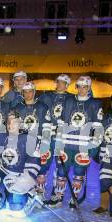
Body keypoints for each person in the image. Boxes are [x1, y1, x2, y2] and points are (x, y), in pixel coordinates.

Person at [46, 76, 103, 208]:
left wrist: (93, 147)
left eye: (85, 87)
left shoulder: (95, 104)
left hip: (83, 147)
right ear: (76, 87)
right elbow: (61, 123)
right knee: (61, 171)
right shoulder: (68, 101)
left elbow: (98, 128)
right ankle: (58, 196)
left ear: (89, 88)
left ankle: (75, 197)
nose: (82, 89)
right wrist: (59, 143)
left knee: (79, 172)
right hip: (66, 145)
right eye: (79, 86)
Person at [0, 111, 42, 215]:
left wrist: (24, 180)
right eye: (9, 122)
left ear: (21, 124)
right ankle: (1, 196)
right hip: (5, 174)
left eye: (14, 122)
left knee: (16, 208)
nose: (10, 124)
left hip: (20, 177)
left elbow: (34, 163)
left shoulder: (29, 140)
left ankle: (30, 198)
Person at [38, 74, 73, 205]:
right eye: (58, 81)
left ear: (67, 85)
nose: (60, 84)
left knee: (61, 167)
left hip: (62, 137)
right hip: (47, 136)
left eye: (63, 82)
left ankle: (58, 195)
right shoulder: (46, 96)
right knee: (43, 164)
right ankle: (39, 193)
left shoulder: (71, 99)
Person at [15, 81, 52, 199]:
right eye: (25, 92)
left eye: (30, 91)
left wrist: (45, 143)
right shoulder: (18, 107)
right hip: (22, 143)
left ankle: (40, 193)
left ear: (34, 92)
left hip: (38, 143)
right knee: (25, 169)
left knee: (40, 169)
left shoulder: (42, 107)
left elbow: (47, 127)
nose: (28, 94)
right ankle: (26, 192)